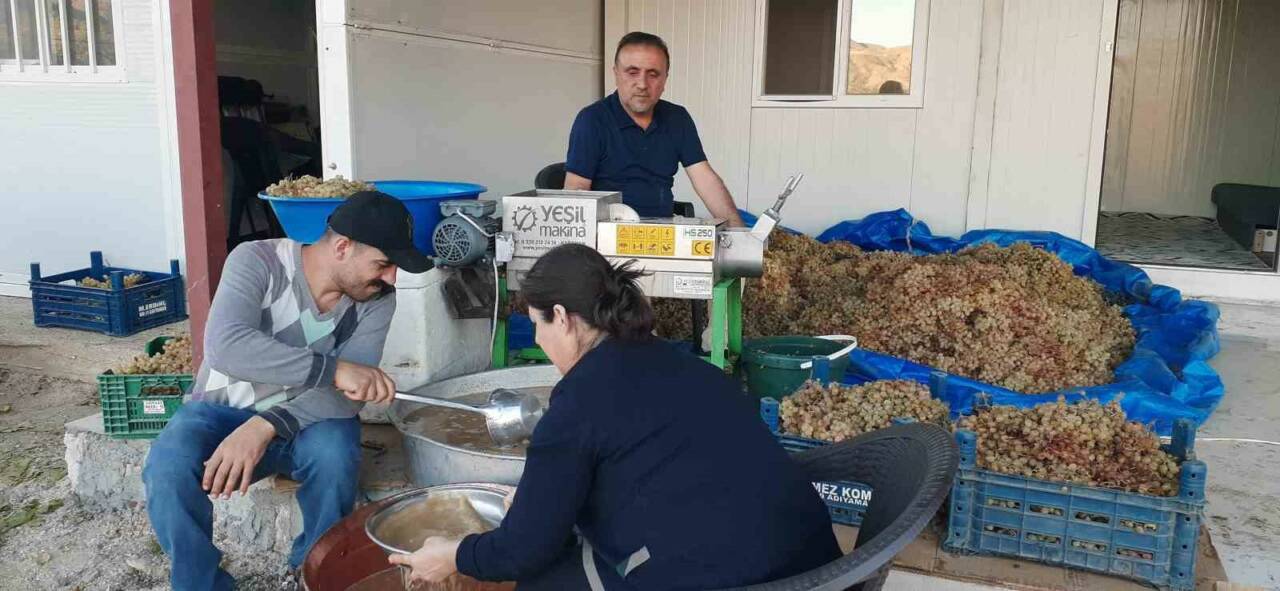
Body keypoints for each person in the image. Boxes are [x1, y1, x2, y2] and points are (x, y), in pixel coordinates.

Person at [389, 244, 841, 589]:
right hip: (815, 562)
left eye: (538, 324)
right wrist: (537, 508)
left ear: (562, 317)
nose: (541, 340)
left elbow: (519, 554)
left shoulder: (577, 405)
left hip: (733, 577)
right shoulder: (682, 364)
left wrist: (452, 554)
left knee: (543, 577)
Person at [143, 191, 434, 590]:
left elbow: (345, 396)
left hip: (305, 423)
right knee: (167, 466)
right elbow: (226, 346)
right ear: (343, 248)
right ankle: (200, 583)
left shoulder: (376, 301)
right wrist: (333, 369)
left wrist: (264, 426)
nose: (391, 278)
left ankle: (314, 570)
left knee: (334, 456)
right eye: (384, 264)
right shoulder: (257, 261)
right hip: (219, 413)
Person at [564, 32, 747, 227]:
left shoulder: (677, 118)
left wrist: (739, 233)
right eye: (632, 72)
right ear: (616, 74)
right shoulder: (592, 120)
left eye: (653, 74)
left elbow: (705, 179)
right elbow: (576, 192)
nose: (642, 84)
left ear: (665, 79)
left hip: (662, 235)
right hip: (608, 237)